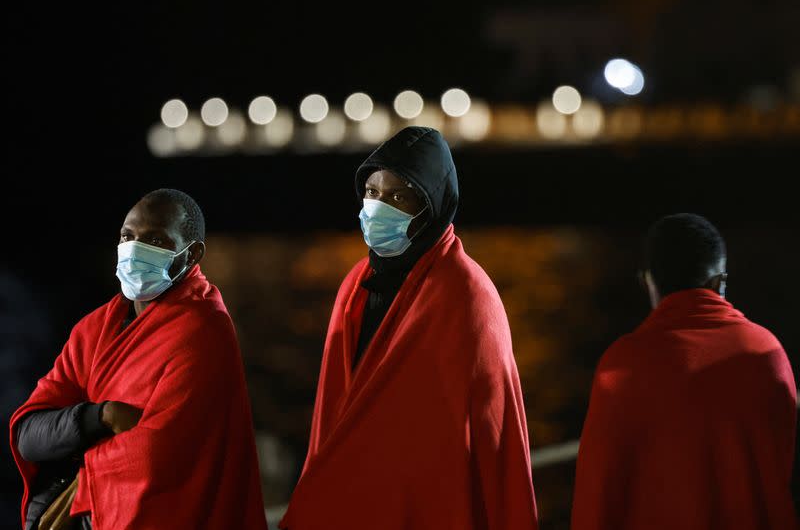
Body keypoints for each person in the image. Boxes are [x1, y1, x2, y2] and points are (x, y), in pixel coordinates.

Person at [280, 126, 539, 530]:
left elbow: (491, 431)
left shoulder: (467, 296)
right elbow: (335, 411)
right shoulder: (355, 285)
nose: (377, 208)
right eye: (371, 193)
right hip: (356, 501)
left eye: (398, 196)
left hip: (431, 506)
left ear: (431, 207)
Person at [9, 188, 268, 529]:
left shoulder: (203, 329)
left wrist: (81, 472)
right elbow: (29, 436)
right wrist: (102, 416)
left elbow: (157, 459)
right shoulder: (95, 328)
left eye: (156, 241)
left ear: (192, 255)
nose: (134, 250)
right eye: (127, 236)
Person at [571, 213, 797, 530]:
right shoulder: (766, 353)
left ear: (648, 281)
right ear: (720, 282)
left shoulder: (622, 365)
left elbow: (599, 491)